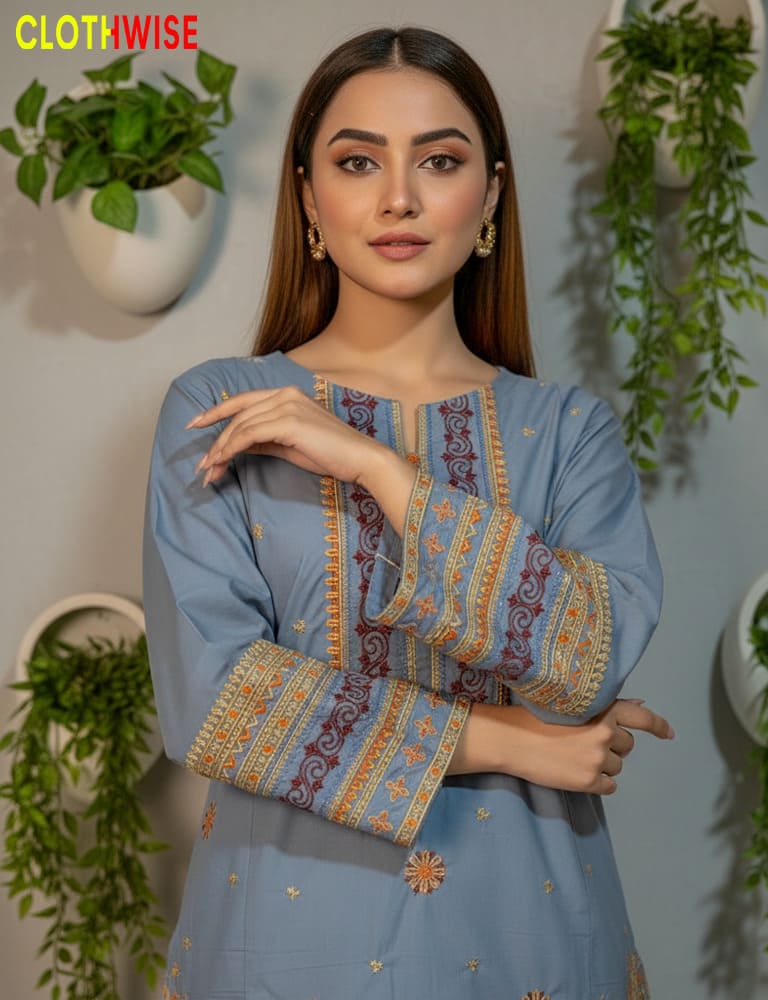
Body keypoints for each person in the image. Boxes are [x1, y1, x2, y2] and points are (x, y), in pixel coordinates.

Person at [143, 25, 673, 1000]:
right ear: (309, 197)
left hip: (534, 932)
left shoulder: (567, 431)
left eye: (439, 160)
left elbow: (586, 654)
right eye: (357, 161)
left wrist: (377, 468)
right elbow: (219, 702)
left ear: (493, 195)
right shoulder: (221, 408)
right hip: (283, 942)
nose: (399, 197)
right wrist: (515, 741)